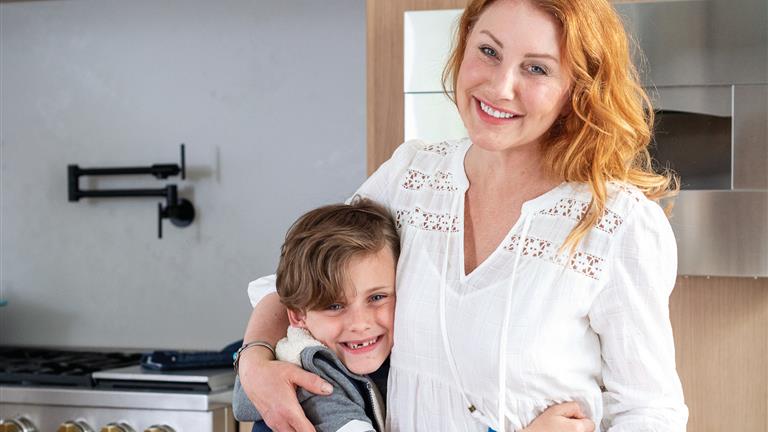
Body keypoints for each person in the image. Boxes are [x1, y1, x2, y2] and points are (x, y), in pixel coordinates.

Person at [238, 0, 689, 431]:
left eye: (536, 68)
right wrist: (255, 361)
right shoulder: (411, 175)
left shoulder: (617, 223)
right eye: (488, 52)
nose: (499, 86)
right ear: (463, 47)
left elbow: (650, 415)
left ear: (577, 89)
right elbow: (302, 284)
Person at [233, 199, 400, 431]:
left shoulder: (388, 356)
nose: (360, 324)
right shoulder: (311, 375)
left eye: (376, 297)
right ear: (299, 316)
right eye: (334, 306)